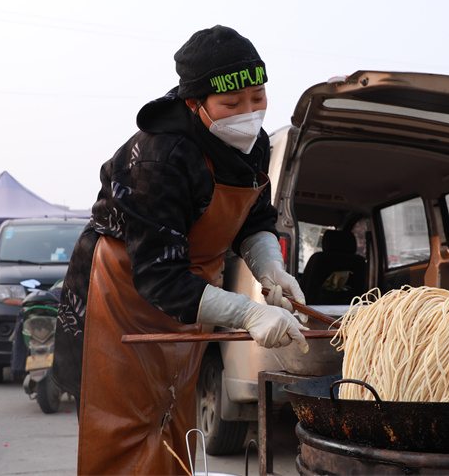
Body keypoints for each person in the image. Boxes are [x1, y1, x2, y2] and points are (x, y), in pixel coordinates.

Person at [53, 25, 308, 475]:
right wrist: (249, 314)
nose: (248, 114)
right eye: (231, 104)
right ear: (195, 103)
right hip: (123, 295)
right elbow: (160, 276)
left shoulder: (254, 143)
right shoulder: (159, 156)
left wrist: (271, 269)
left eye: (258, 97)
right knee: (126, 433)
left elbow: (254, 219)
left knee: (173, 420)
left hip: (190, 293)